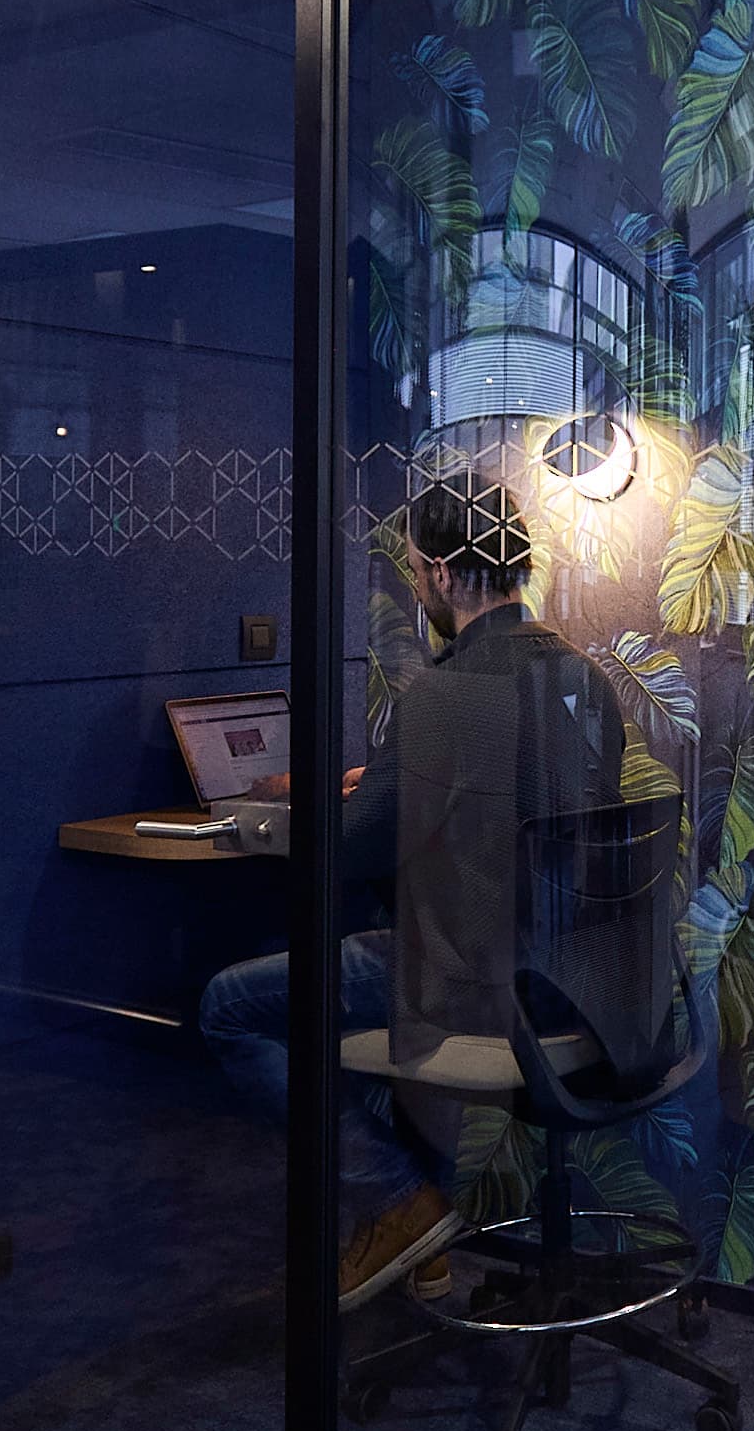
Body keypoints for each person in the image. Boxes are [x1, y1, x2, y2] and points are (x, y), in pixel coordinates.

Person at [197, 476, 623, 1305]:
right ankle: (416, 1244)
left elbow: (348, 850)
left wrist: (320, 803)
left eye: (418, 573)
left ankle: (404, 1202)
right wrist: (403, 783)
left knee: (230, 1007)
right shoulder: (583, 678)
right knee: (372, 979)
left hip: (476, 980)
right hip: (569, 978)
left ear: (440, 573)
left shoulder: (448, 692)